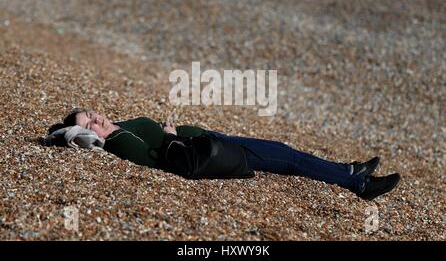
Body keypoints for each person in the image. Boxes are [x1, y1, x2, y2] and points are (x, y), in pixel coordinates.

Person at [46, 108, 400, 201]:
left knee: (285, 152)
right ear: (88, 134)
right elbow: (155, 158)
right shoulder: (119, 142)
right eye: (89, 123)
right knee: (286, 158)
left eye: (91, 114)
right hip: (213, 152)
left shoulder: (118, 126)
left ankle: (349, 169)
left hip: (212, 140)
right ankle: (357, 183)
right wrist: (170, 134)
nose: (96, 119)